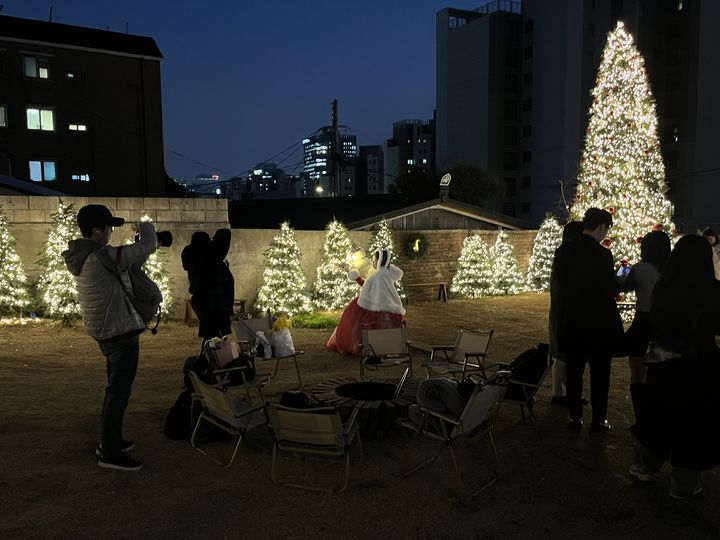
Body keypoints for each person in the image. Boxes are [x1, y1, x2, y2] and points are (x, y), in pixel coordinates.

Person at [63, 204, 159, 471]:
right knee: (118, 393)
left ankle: (110, 441)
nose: (110, 233)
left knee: (114, 390)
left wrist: (139, 247)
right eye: (107, 228)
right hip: (119, 332)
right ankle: (111, 453)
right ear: (96, 230)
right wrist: (146, 226)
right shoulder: (99, 256)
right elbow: (146, 246)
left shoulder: (86, 256)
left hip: (107, 330)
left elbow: (130, 260)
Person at [630, 235, 720, 498]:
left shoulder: (664, 288)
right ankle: (683, 482)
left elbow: (656, 324)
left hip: (664, 361)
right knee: (694, 422)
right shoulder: (713, 291)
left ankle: (646, 465)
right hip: (700, 364)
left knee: (658, 413)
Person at [557, 207, 624, 433]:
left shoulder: (563, 252)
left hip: (573, 320)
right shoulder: (603, 254)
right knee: (600, 374)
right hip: (599, 323)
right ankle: (598, 419)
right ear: (602, 226)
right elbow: (610, 288)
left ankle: (575, 416)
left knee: (574, 371)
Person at [617, 230, 671, 426]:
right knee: (660, 373)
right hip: (664, 325)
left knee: (637, 373)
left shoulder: (640, 269)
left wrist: (621, 270)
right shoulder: (672, 269)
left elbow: (623, 287)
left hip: (643, 323)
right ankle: (659, 418)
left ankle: (642, 419)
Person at [326, 248, 405, 355]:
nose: (372, 262)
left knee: (355, 322)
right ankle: (381, 346)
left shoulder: (378, 275)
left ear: (380, 261)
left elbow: (367, 287)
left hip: (372, 306)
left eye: (374, 260)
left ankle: (364, 347)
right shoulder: (385, 273)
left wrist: (357, 278)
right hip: (386, 306)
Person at [548, 220, 584, 405]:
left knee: (563, 356)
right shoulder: (565, 256)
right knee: (562, 356)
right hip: (563, 310)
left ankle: (565, 392)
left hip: (561, 309)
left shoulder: (562, 255)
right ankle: (560, 393)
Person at [181, 229, 234, 341]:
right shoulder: (208, 256)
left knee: (211, 334)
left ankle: (210, 355)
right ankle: (212, 357)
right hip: (213, 301)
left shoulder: (192, 254)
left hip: (204, 300)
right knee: (214, 335)